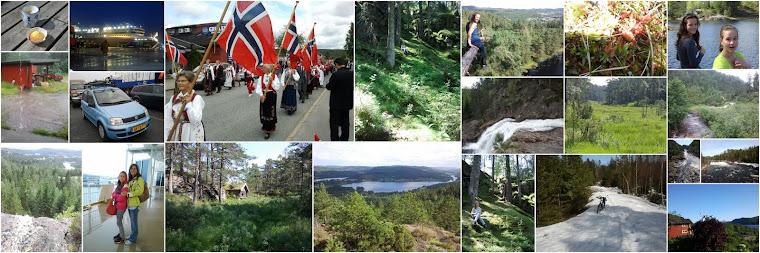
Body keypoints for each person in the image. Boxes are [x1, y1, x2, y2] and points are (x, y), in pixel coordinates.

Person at [165, 71, 205, 141]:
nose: (180, 83)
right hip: (176, 131)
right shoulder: (174, 98)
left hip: (192, 132)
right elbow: (168, 119)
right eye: (178, 81)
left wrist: (189, 103)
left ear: (190, 83)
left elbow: (195, 120)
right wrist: (166, 137)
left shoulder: (196, 98)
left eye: (183, 81)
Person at [326, 57, 353, 141]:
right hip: (347, 103)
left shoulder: (336, 74)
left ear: (336, 64)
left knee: (334, 124)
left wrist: (327, 85)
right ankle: (344, 139)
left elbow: (330, 86)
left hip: (336, 104)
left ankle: (335, 140)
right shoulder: (351, 74)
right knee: (345, 123)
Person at [255, 65, 282, 139]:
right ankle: (265, 125)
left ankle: (269, 129)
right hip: (264, 95)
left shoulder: (274, 76)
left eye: (263, 67)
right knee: (264, 110)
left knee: (270, 111)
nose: (262, 69)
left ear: (268, 69)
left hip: (271, 95)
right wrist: (261, 95)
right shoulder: (261, 77)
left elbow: (277, 87)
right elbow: (259, 87)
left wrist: (272, 81)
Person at [124, 164, 145, 245]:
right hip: (129, 204)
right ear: (129, 170)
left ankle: (132, 239)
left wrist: (128, 194)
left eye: (135, 168)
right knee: (132, 222)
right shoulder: (130, 180)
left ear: (137, 170)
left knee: (134, 222)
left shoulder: (139, 179)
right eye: (131, 169)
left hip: (134, 204)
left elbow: (139, 191)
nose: (133, 170)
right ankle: (132, 235)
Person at [111, 171, 128, 244]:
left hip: (121, 207)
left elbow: (122, 198)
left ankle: (122, 237)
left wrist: (116, 196)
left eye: (123, 176)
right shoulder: (119, 185)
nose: (121, 177)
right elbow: (112, 193)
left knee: (119, 222)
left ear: (125, 177)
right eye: (120, 176)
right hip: (118, 205)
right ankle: (121, 234)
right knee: (119, 221)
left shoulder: (125, 186)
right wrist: (117, 195)